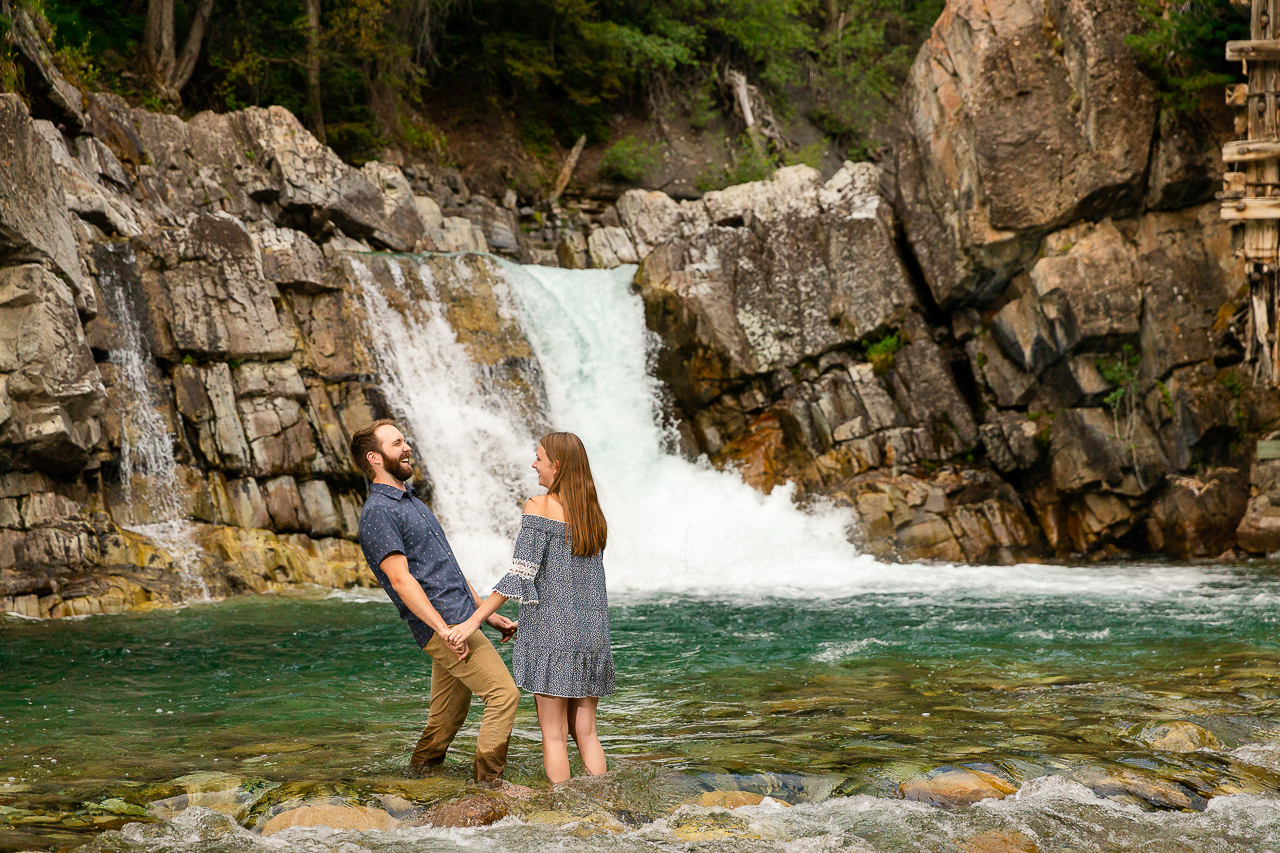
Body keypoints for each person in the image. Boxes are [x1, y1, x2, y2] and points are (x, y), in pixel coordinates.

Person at [351, 418, 523, 787]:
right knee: (503, 695)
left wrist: (486, 616)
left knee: (446, 718)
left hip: (459, 619)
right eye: (396, 443)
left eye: (404, 440)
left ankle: (416, 781)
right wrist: (443, 629)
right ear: (375, 457)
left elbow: (446, 568)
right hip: (446, 625)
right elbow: (401, 579)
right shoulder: (379, 512)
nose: (407, 447)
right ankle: (490, 787)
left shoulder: (411, 501)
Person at [449, 432, 615, 784]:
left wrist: (473, 621)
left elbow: (520, 574)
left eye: (539, 458)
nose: (533, 464)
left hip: (552, 637)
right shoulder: (592, 515)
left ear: (558, 465)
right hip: (592, 637)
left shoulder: (539, 506)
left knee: (554, 736)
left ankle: (565, 811)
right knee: (586, 734)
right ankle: (604, 805)